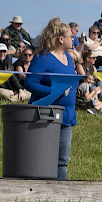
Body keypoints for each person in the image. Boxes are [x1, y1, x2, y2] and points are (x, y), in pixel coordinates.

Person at [24, 18, 77, 180]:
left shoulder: (68, 58)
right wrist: (55, 91)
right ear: (61, 39)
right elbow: (30, 83)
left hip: (66, 116)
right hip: (46, 115)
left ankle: (60, 194)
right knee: (42, 158)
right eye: (70, 36)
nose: (73, 38)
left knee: (62, 161)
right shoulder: (43, 58)